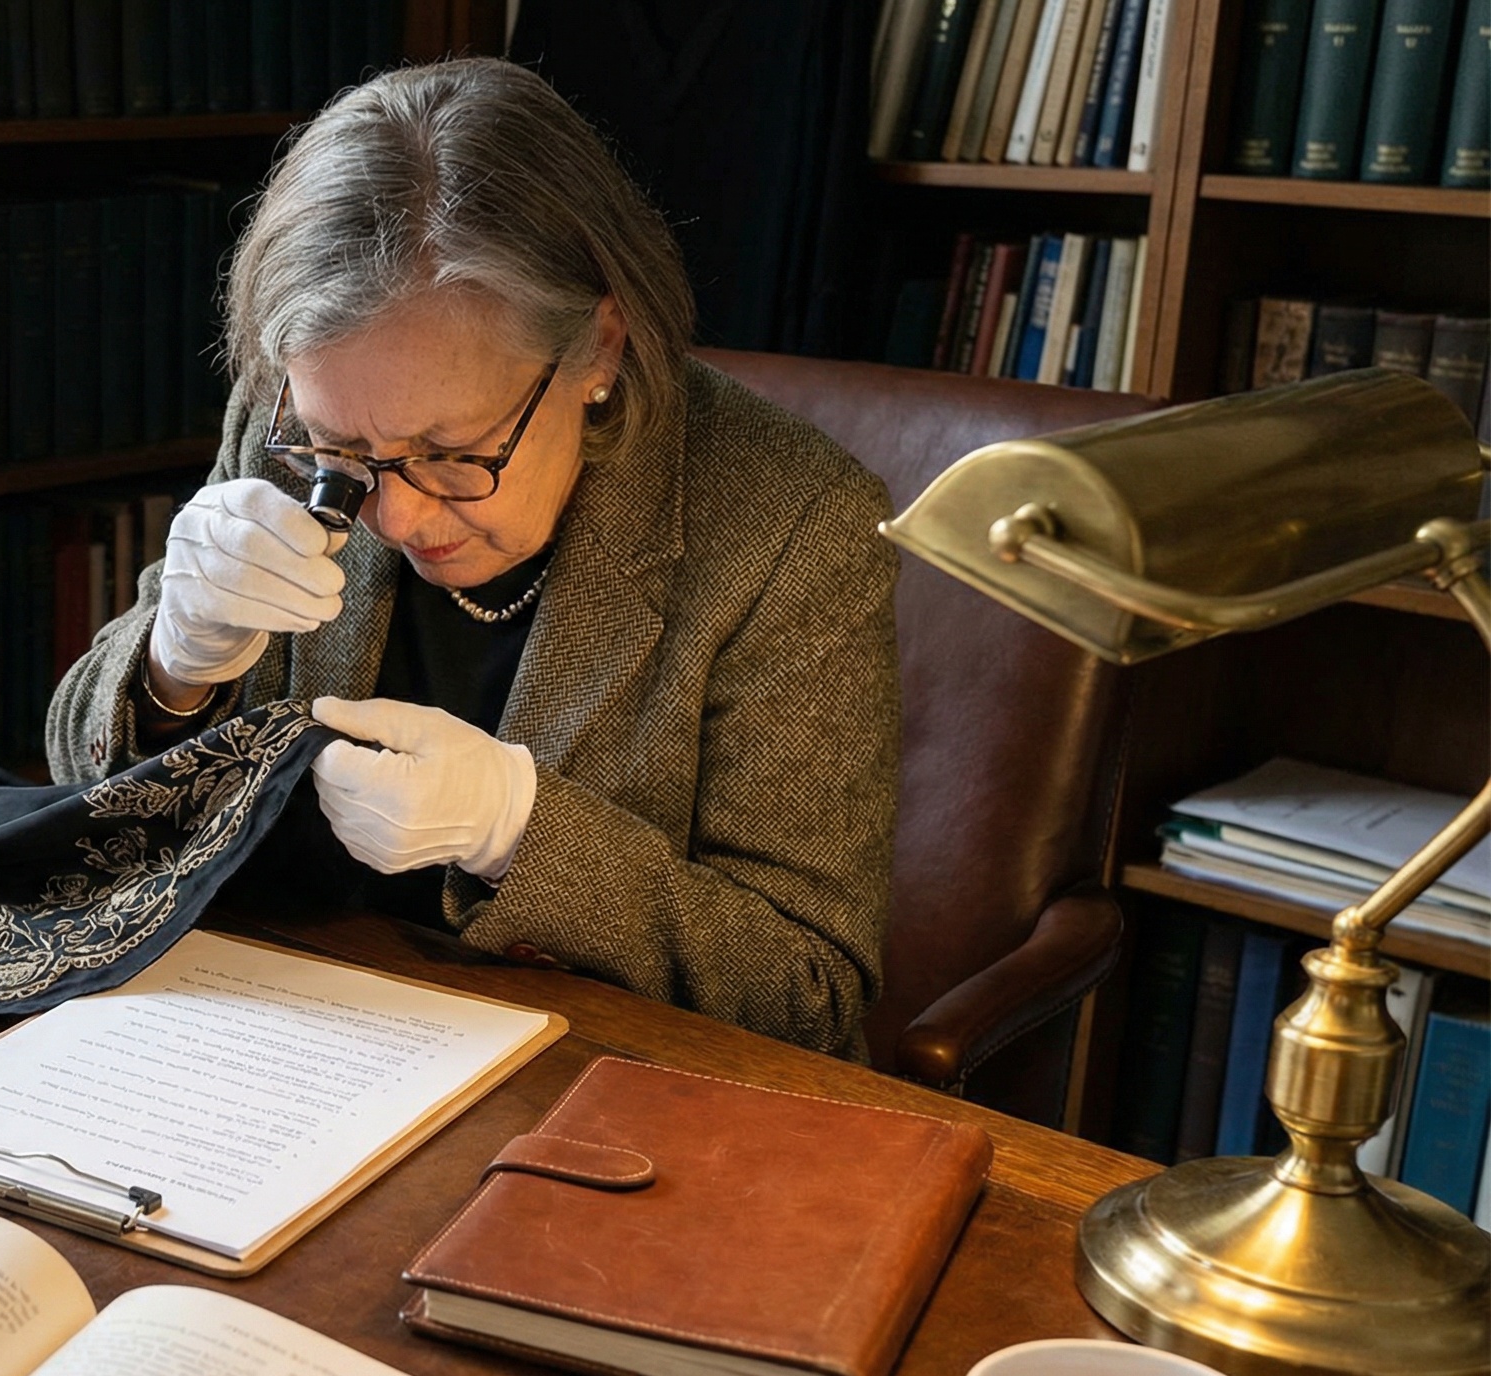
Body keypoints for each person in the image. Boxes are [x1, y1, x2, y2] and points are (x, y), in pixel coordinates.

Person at [46, 58, 899, 1060]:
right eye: (346, 454)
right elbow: (81, 779)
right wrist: (174, 667)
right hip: (278, 1024)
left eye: (453, 454)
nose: (397, 515)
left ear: (599, 351)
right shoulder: (291, 421)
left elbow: (809, 992)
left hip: (589, 1088)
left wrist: (518, 832)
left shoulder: (791, 523)